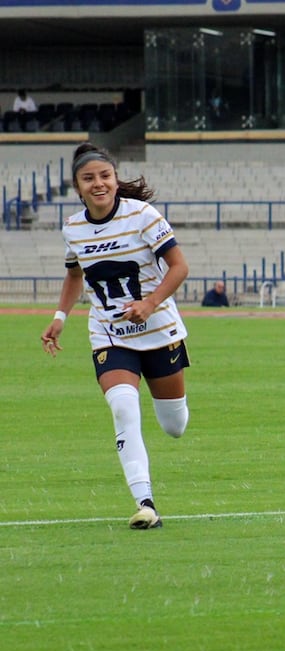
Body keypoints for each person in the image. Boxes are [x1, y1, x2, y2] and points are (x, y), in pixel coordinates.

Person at [40, 142, 191, 530]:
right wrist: (60, 317)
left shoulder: (143, 215)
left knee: (175, 426)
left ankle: (151, 487)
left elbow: (179, 267)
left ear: (115, 179)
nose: (99, 184)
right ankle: (146, 503)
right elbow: (76, 275)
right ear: (77, 186)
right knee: (124, 410)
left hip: (159, 332)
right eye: (89, 178)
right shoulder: (72, 227)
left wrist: (151, 302)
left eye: (105, 176)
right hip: (110, 335)